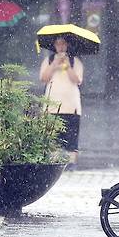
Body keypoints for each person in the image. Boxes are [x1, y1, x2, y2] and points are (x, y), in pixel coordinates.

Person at [39, 37, 84, 165]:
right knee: (53, 139)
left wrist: (67, 66)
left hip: (71, 107)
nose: (61, 47)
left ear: (67, 45)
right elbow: (44, 78)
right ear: (54, 45)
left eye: (63, 44)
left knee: (71, 139)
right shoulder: (48, 61)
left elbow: (77, 80)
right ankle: (54, 164)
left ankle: (70, 164)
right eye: (58, 44)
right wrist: (54, 64)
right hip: (52, 107)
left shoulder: (75, 62)